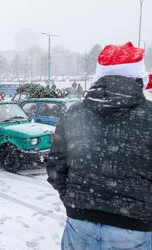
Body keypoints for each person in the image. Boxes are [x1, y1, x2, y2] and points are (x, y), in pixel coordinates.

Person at [46, 42, 152, 250]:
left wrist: (72, 199)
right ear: (139, 78)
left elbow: (55, 164)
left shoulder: (74, 112)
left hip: (80, 221)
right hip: (134, 227)